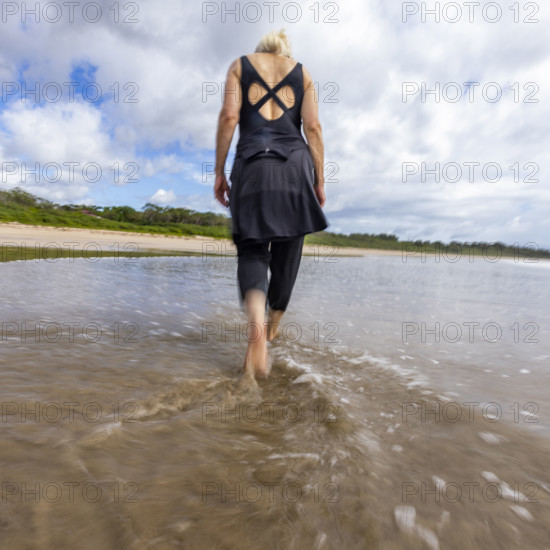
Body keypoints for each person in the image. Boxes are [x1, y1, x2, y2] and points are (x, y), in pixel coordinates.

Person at [214, 29, 328, 379]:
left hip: (251, 165)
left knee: (251, 250)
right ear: (286, 51)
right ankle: (273, 326)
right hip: (295, 167)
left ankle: (257, 334)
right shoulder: (303, 73)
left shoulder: (239, 65)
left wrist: (219, 171)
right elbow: (313, 128)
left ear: (260, 49)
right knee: (289, 248)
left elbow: (229, 117)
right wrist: (320, 178)